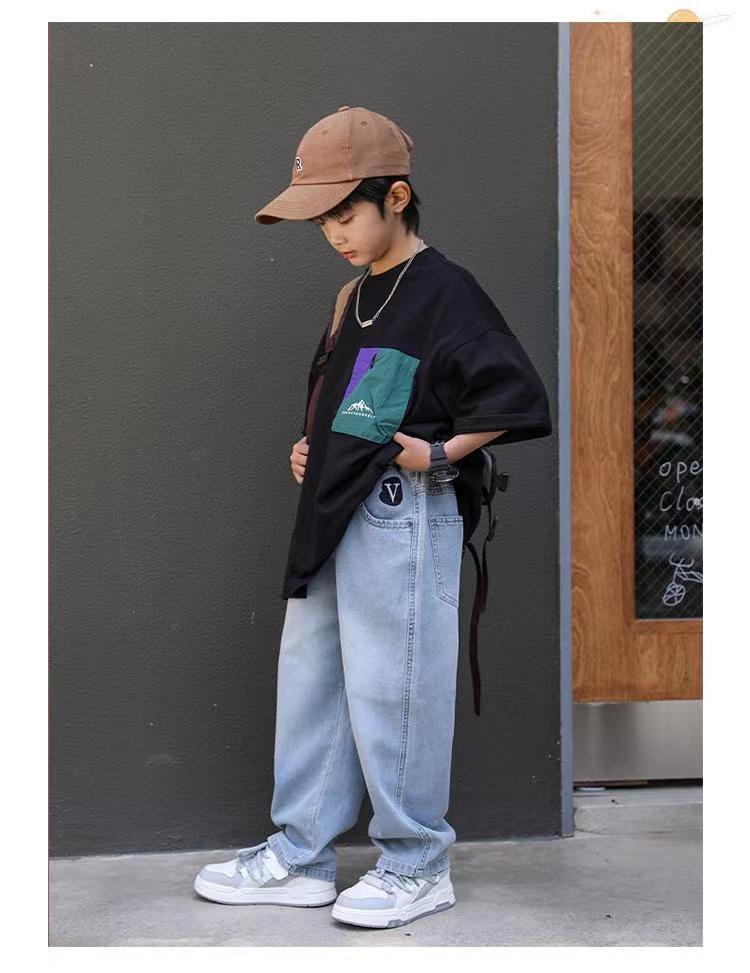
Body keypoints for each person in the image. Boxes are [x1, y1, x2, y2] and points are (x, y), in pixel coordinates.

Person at [194, 106, 552, 929]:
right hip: (332, 512)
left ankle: (418, 861)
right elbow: (352, 398)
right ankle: (301, 855)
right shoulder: (351, 295)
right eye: (321, 220)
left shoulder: (446, 290)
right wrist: (311, 446)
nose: (334, 233)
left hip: (401, 514)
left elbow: (516, 394)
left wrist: (442, 451)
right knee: (313, 684)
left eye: (344, 213)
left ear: (395, 196)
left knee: (397, 688)